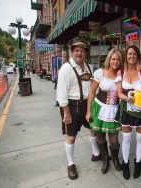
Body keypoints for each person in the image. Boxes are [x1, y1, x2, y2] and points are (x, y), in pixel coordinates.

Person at [56, 38, 100, 180]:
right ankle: (70, 164)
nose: (79, 53)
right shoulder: (66, 68)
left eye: (82, 51)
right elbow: (61, 94)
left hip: (87, 104)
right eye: (76, 50)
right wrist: (66, 113)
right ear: (72, 52)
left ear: (86, 53)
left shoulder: (88, 66)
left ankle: (96, 153)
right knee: (71, 136)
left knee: (92, 129)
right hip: (72, 106)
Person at [115, 45, 141, 180]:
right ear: (126, 56)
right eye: (129, 54)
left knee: (140, 138)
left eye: (134, 54)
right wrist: (128, 98)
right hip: (126, 108)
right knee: (125, 138)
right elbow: (119, 93)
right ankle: (126, 164)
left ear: (138, 56)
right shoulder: (121, 72)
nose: (132, 56)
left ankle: (138, 163)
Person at [86, 49, 123, 174]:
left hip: (114, 110)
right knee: (100, 136)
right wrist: (88, 112)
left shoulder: (121, 75)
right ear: (109, 59)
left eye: (118, 59)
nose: (115, 61)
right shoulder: (100, 73)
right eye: (113, 59)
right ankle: (105, 159)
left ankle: (115, 159)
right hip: (99, 107)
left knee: (114, 141)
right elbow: (91, 93)